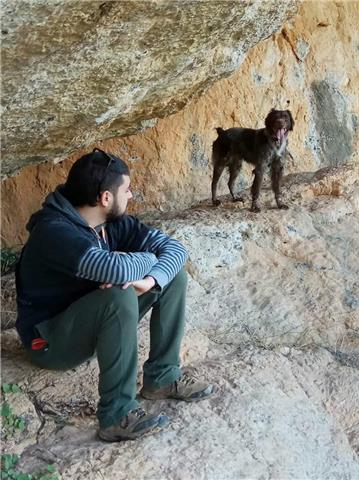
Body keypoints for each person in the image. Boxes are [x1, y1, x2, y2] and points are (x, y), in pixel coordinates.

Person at [15, 148, 214, 442]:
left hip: (90, 323)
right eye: (127, 190)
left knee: (172, 278)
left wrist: (150, 279)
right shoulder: (54, 232)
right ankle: (116, 414)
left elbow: (176, 250)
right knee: (118, 295)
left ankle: (162, 377)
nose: (131, 196)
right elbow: (115, 269)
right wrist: (143, 263)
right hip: (50, 341)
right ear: (105, 198)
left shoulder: (111, 224)